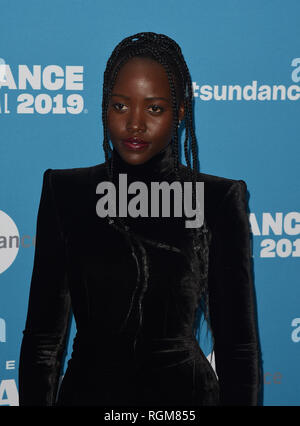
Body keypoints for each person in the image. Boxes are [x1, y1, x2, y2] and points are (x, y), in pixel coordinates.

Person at [19, 32, 261, 406]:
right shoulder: (65, 192)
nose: (134, 124)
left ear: (180, 111)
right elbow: (42, 341)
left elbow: (237, 347)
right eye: (119, 106)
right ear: (105, 107)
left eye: (154, 108)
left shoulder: (217, 200)